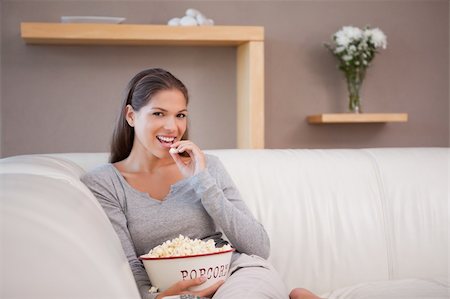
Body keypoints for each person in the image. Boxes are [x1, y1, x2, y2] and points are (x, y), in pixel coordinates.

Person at [81, 68, 321, 299]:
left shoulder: (207, 167)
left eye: (180, 115)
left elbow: (258, 247)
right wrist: (158, 298)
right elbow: (128, 263)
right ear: (131, 116)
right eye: (158, 113)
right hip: (173, 292)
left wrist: (201, 180)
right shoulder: (105, 183)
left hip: (237, 276)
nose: (172, 127)